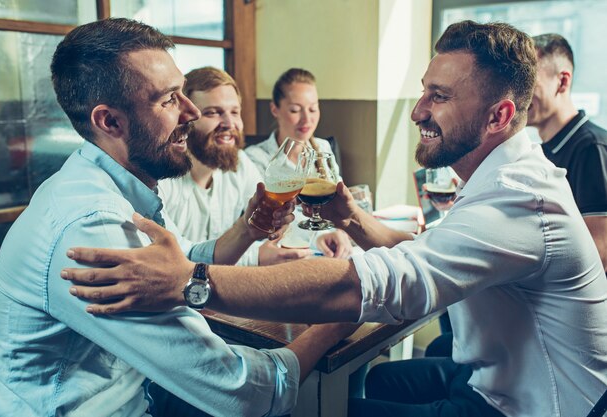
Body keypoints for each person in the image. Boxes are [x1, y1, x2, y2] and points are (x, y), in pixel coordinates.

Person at [63, 21, 607, 417]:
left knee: (330, 408)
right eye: (423, 90)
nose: (417, 110)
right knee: (367, 382)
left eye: (437, 97)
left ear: (499, 116)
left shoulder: (516, 198)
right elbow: (422, 243)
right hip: (498, 378)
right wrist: (349, 217)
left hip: (536, 405)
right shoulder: (507, 173)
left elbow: (379, 284)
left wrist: (190, 283)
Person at [0, 18, 359, 417]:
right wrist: (341, 318)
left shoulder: (106, 183)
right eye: (169, 99)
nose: (192, 113)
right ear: (109, 121)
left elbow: (181, 265)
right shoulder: (94, 226)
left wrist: (247, 231)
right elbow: (243, 392)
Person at [159, 66, 350, 265]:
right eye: (212, 113)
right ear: (184, 118)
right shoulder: (162, 181)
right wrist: (254, 257)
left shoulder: (240, 164)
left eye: (235, 112)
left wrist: (318, 237)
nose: (229, 123)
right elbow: (175, 262)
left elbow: (275, 218)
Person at [245, 67, 351, 253]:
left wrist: (338, 231)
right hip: (277, 253)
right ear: (274, 109)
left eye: (313, 109)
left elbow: (337, 204)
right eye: (295, 110)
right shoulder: (256, 159)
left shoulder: (323, 148)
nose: (307, 119)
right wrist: (319, 235)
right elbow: (264, 222)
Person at [527, 33, 607, 272]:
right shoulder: (544, 150)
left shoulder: (590, 148)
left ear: (562, 82)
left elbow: (600, 252)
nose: (519, 95)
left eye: (529, 83)